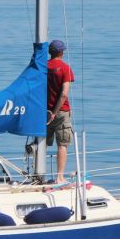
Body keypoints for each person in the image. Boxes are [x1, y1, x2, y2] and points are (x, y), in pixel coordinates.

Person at [46, 39, 76, 184]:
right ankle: (60, 177)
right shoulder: (65, 68)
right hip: (61, 112)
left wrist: (49, 112)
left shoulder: (42, 67)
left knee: (40, 143)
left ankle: (37, 175)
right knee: (62, 145)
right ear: (61, 52)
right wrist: (54, 112)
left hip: (43, 112)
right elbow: (64, 94)